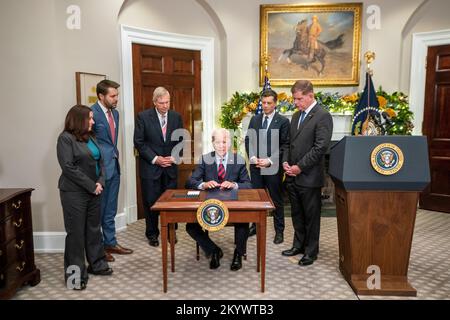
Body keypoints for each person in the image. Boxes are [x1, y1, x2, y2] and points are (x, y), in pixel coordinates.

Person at [57, 105, 113, 291]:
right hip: (74, 193)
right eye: (90, 118)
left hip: (95, 190)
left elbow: (101, 162)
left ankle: (97, 265)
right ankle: (75, 277)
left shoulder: (91, 137)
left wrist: (101, 182)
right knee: (76, 235)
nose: (93, 121)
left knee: (94, 230)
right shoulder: (65, 139)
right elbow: (68, 167)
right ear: (79, 119)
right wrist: (92, 185)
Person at [281, 80, 332, 266]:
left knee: (311, 217)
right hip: (292, 176)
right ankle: (298, 245)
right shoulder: (295, 116)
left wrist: (299, 167)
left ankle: (311, 252)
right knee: (297, 214)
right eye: (294, 99)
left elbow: (320, 148)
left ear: (311, 95)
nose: (296, 102)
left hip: (309, 177)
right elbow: (288, 144)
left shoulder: (323, 116)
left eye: (299, 99)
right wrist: (286, 162)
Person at [186, 128, 252, 271]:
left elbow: (248, 185)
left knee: (244, 221)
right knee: (191, 226)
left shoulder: (238, 160)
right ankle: (213, 250)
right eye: (218, 142)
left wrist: (234, 185)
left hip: (232, 204)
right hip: (209, 205)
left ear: (229, 143)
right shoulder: (205, 159)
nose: (222, 146)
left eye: (225, 142)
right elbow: (191, 181)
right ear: (212, 143)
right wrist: (203, 184)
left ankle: (238, 254)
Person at [134, 87, 184, 247]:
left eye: (167, 102)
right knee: (151, 202)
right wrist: (156, 159)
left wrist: (175, 156)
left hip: (170, 167)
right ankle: (152, 233)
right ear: (155, 102)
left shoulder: (176, 117)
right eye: (161, 103)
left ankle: (171, 231)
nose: (165, 106)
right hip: (151, 168)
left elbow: (182, 140)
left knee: (171, 202)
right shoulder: (143, 117)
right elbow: (139, 143)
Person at [92, 80, 133, 262]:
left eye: (117, 95)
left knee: (111, 209)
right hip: (99, 170)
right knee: (99, 210)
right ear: (101, 96)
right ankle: (99, 247)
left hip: (115, 166)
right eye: (113, 96)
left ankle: (110, 242)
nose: (116, 99)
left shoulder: (115, 114)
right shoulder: (91, 113)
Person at [245, 89, 290, 244]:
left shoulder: (283, 121)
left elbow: (285, 145)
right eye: (263, 103)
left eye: (268, 103)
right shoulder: (255, 119)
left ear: (275, 103)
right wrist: (252, 157)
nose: (265, 106)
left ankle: (279, 231)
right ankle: (254, 225)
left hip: (273, 168)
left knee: (276, 200)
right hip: (256, 167)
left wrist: (270, 160)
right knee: (255, 198)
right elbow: (248, 140)